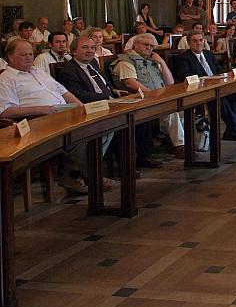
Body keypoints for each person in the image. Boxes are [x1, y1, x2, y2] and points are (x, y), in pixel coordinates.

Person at [0, 39, 87, 192]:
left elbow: (63, 91)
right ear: (10, 57)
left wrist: (82, 107)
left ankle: (75, 174)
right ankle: (90, 177)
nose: (29, 57)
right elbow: (5, 111)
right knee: (81, 136)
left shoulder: (37, 71)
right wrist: (41, 109)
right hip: (38, 122)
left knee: (101, 129)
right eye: (23, 55)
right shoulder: (6, 78)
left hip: (63, 113)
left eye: (31, 54)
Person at [58, 35, 127, 189]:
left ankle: (78, 170)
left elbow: (104, 83)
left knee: (119, 125)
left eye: (92, 48)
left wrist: (113, 90)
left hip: (107, 104)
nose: (90, 51)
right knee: (108, 128)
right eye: (85, 47)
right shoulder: (69, 71)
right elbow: (79, 95)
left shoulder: (93, 63)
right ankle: (92, 175)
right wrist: (107, 97)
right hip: (88, 111)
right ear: (74, 51)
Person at [111, 33, 185, 164]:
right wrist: (154, 96)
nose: (149, 48)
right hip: (141, 101)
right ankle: (179, 146)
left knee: (187, 108)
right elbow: (130, 83)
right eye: (146, 45)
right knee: (172, 111)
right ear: (135, 45)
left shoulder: (153, 61)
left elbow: (170, 82)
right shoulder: (126, 61)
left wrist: (162, 62)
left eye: (152, 46)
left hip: (159, 99)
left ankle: (182, 142)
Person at [171, 30, 236, 141]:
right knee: (220, 98)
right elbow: (184, 75)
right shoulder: (183, 58)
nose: (198, 43)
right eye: (195, 41)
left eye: (201, 40)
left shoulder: (208, 54)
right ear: (189, 43)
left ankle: (232, 129)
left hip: (218, 85)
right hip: (201, 91)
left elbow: (219, 70)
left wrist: (224, 75)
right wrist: (205, 80)